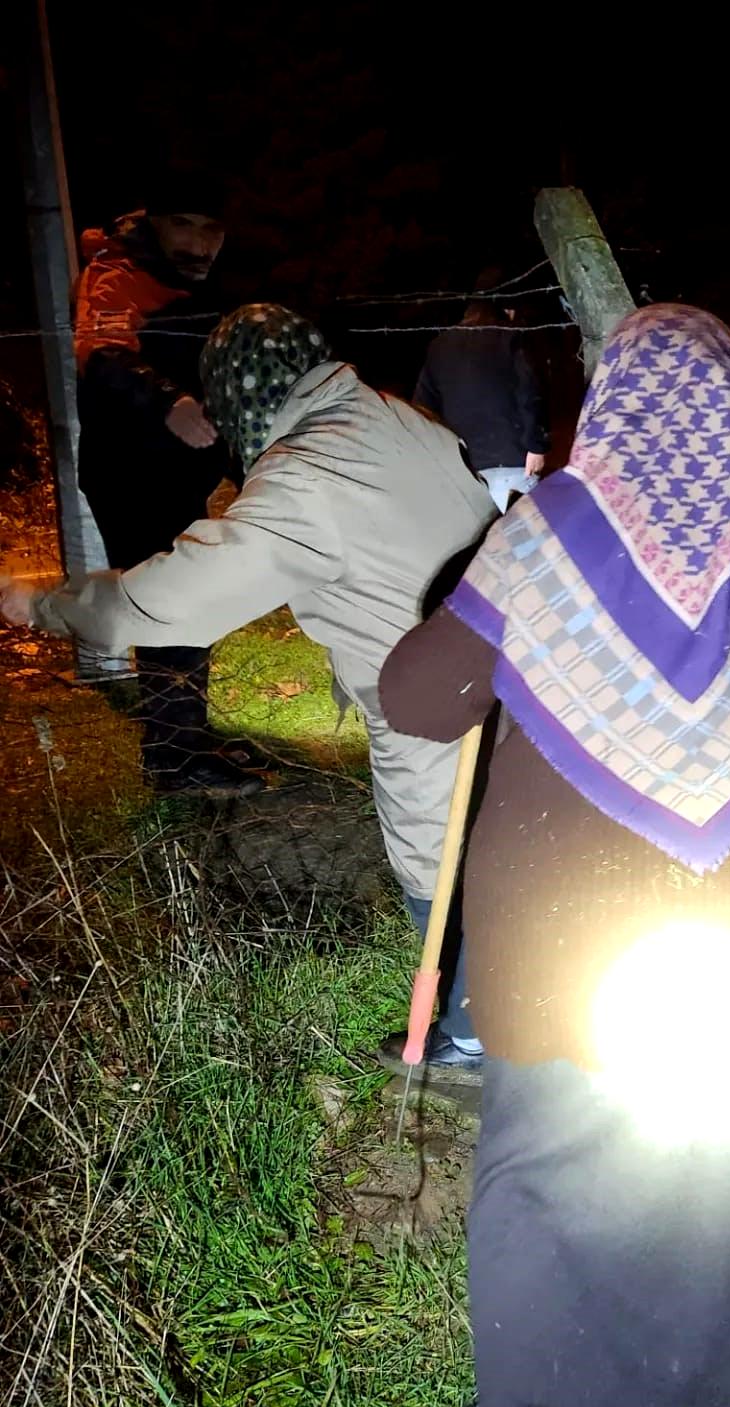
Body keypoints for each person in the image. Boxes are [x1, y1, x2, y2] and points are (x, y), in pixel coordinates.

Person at [378, 304, 730, 1407]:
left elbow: (414, 699)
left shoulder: (542, 537)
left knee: (548, 1169)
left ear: (608, 411)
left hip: (557, 943)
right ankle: (710, 1377)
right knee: (713, 1163)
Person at [1, 304, 498, 1076]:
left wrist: (47, 605)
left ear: (237, 401)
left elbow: (164, 601)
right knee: (496, 841)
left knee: (440, 860)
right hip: (503, 665)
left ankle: (472, 1041)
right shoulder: (394, 417)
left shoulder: (306, 473)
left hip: (432, 696)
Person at [73, 168, 254, 794]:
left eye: (212, 229)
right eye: (183, 223)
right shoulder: (119, 276)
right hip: (132, 476)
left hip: (174, 475)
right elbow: (103, 355)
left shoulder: (176, 281)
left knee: (186, 605)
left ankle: (185, 735)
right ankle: (175, 761)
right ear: (151, 220)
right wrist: (169, 401)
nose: (200, 242)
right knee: (170, 608)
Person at [413, 271, 550, 513]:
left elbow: (422, 409)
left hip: (465, 473)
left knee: (484, 547)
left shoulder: (439, 346)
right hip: (514, 462)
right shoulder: (512, 336)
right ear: (506, 306)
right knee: (522, 544)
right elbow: (529, 393)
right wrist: (536, 446)